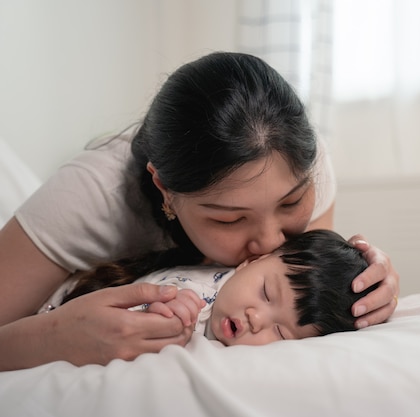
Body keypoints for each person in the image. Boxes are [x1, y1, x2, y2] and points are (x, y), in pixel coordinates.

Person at [0, 51, 399, 371]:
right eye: (230, 218)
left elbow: (302, 295)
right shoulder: (90, 197)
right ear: (165, 191)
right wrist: (54, 338)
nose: (271, 242)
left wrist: (365, 291)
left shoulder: (301, 165)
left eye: (291, 203)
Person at [44, 230, 375, 346]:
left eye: (281, 332)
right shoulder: (191, 295)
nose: (256, 318)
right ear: (252, 262)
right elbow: (113, 327)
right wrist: (157, 316)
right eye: (266, 293)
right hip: (54, 308)